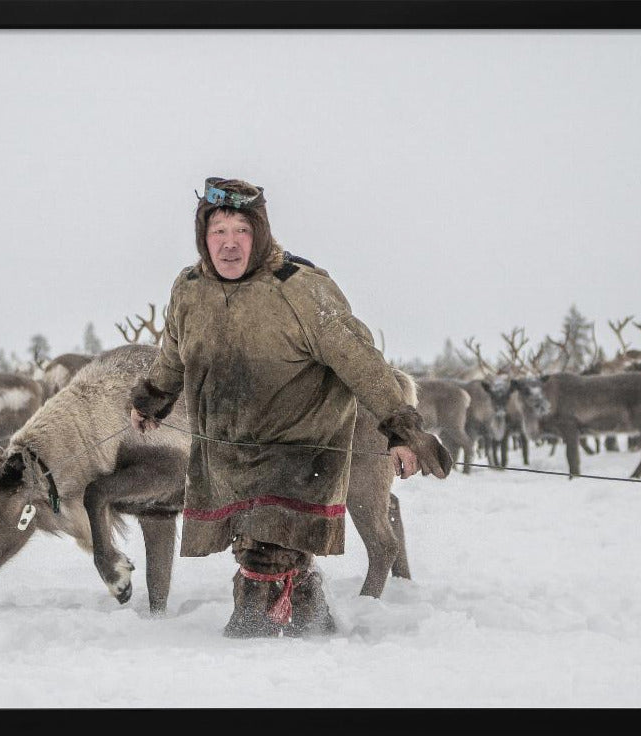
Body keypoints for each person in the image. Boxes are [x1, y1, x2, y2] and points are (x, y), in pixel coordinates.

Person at [129, 177, 452, 638]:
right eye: (218, 231)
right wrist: (152, 400)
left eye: (241, 230)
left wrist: (402, 431)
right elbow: (173, 357)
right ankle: (309, 619)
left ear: (259, 233)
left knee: (266, 555)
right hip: (227, 456)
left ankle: (252, 641)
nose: (229, 243)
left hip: (300, 456)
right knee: (264, 549)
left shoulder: (300, 289)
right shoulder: (189, 290)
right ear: (203, 236)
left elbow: (361, 363)